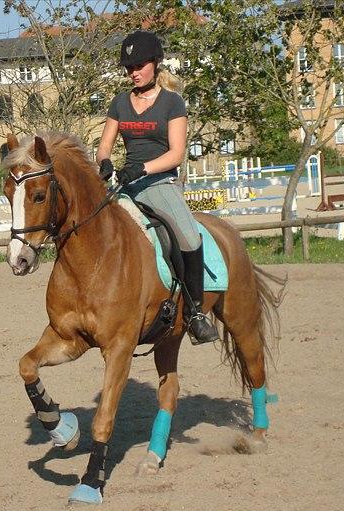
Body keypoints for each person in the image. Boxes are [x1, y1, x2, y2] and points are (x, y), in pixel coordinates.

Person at [95, 30, 219, 345]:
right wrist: (106, 162)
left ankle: (194, 312)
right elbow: (104, 145)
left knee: (189, 237)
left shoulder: (172, 103)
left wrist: (143, 168)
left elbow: (176, 153)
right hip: (125, 184)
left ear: (156, 63)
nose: (134, 73)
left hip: (159, 182)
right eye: (129, 68)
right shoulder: (120, 103)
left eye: (139, 66)